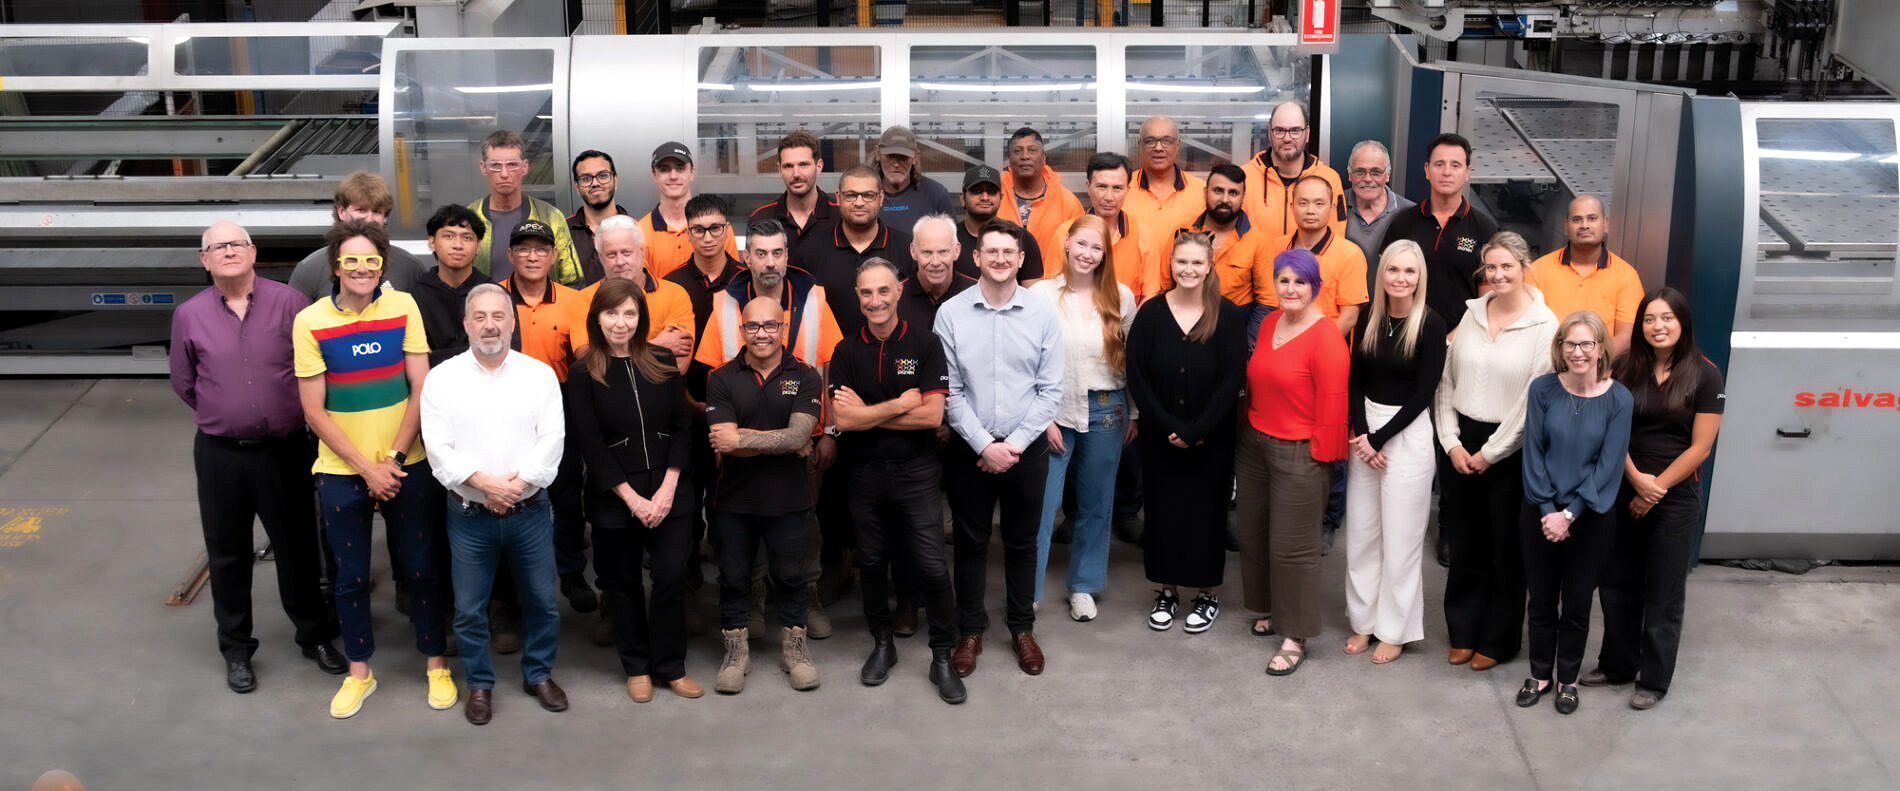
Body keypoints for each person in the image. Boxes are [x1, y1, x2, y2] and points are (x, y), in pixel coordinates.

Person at [170, 221, 343, 693]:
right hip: (220, 455)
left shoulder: (291, 304)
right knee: (227, 554)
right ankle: (237, 650)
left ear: (253, 252)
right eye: (217, 246)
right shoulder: (189, 315)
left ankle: (314, 636)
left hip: (284, 449)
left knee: (298, 549)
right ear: (204, 260)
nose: (228, 251)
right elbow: (185, 382)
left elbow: (315, 369)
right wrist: (228, 411)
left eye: (236, 244)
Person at [290, 219, 451, 719]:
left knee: (422, 570)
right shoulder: (310, 321)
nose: (362, 269)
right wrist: (366, 468)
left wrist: (394, 460)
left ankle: (436, 664)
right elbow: (314, 411)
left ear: (382, 265)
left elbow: (421, 388)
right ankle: (360, 672)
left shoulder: (404, 306)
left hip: (407, 466)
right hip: (342, 471)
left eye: (371, 260)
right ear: (335, 265)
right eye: (352, 260)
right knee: (351, 577)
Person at [418, 283, 569, 726]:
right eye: (480, 317)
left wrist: (515, 487)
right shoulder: (442, 379)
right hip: (469, 516)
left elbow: (552, 440)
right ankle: (480, 684)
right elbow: (438, 447)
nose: (490, 325)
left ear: (512, 322)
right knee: (469, 609)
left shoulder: (539, 375)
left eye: (498, 316)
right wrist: (486, 485)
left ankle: (538, 674)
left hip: (530, 513)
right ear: (466, 324)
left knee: (541, 601)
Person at [827, 257, 967, 704]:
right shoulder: (846, 351)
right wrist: (899, 405)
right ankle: (882, 644)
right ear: (857, 297)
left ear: (899, 291)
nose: (876, 301)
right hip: (864, 472)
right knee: (871, 563)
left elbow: (931, 416)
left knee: (931, 565)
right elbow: (842, 420)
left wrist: (867, 415)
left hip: (917, 471)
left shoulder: (926, 344)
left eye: (883, 290)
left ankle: (942, 656)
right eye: (867, 293)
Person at [563, 278, 703, 703]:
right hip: (614, 494)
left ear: (641, 318)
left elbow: (682, 426)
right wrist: (633, 499)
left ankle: (671, 667)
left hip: (670, 487)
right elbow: (590, 443)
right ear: (597, 318)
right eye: (611, 313)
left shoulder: (662, 360)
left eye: (629, 313)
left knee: (671, 578)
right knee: (621, 583)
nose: (620, 323)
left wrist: (668, 487)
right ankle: (637, 667)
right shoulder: (582, 373)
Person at [935, 218, 1064, 678]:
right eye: (991, 251)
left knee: (1022, 542)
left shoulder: (1042, 314)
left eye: (1009, 252)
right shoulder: (950, 313)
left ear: (1021, 258)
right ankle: (969, 630)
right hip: (970, 451)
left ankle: (1022, 628)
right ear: (975, 257)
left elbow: (1050, 390)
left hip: (1026, 450)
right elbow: (949, 391)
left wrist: (1014, 445)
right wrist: (984, 445)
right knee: (970, 542)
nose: (1000, 259)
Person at [1587, 287, 1724, 710]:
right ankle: (1617, 665)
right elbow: (1609, 429)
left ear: (1683, 323)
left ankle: (1654, 679)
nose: (1657, 326)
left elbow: (1701, 447)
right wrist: (1634, 478)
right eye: (1649, 319)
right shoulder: (1625, 367)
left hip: (1676, 496)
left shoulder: (1706, 375)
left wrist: (1654, 489)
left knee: (1663, 591)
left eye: (1667, 318)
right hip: (1623, 485)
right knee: (1616, 583)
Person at [1434, 231, 1559, 672]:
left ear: (1526, 267)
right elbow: (1446, 381)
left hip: (1511, 449)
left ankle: (1498, 639)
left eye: (1507, 266)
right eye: (1491, 266)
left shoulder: (1545, 326)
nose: (1499, 274)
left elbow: (1532, 402)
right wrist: (1451, 442)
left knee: (1505, 548)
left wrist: (1490, 452)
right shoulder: (1471, 315)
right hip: (1460, 442)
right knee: (1465, 542)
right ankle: (1463, 631)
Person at [1125, 231, 1247, 633]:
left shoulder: (1228, 315)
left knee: (1206, 514)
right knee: (1163, 513)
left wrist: (1197, 429)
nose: (1189, 269)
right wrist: (1169, 426)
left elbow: (1232, 379)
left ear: (1209, 266)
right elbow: (1136, 374)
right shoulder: (1151, 313)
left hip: (1212, 439)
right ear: (1171, 264)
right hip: (1160, 438)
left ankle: (1207, 593)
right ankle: (1168, 590)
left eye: (1197, 262)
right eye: (1182, 262)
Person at [1236, 248, 1349, 677]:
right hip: (1255, 443)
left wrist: (1320, 460)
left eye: (1300, 281)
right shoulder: (1269, 322)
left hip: (1301, 451)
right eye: (1283, 280)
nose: (1290, 288)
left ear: (1315, 286)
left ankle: (1296, 634)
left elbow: (1334, 404)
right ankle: (1272, 609)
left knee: (1294, 549)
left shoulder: (1326, 336)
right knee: (1255, 534)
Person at [705, 297, 827, 694]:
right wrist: (785, 441)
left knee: (791, 577)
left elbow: (799, 435)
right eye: (753, 326)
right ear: (742, 331)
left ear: (784, 329)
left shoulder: (805, 376)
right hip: (733, 500)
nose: (762, 334)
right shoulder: (721, 378)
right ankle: (735, 653)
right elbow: (725, 443)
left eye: (770, 325)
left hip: (789, 499)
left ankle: (795, 651)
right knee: (733, 577)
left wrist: (743, 438)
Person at [1515, 311, 1632, 715]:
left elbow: (1609, 466)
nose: (1578, 352)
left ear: (1601, 349)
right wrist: (1550, 510)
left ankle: (1568, 679)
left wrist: (1569, 515)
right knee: (1541, 600)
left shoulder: (1620, 399)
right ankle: (1539, 674)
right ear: (1560, 347)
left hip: (1590, 517)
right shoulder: (1543, 389)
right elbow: (1534, 454)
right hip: (1540, 513)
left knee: (1578, 602)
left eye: (1586, 344)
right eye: (1570, 343)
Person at [1342, 240, 1448, 664]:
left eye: (1409, 271)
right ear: (1381, 273)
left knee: (1401, 540)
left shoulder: (1431, 324)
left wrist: (1379, 438)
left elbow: (1424, 393)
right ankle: (1363, 620)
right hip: (1366, 432)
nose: (1400, 278)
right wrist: (1363, 433)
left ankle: (1394, 630)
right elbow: (1354, 379)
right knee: (1362, 534)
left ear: (1420, 278)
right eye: (1393, 270)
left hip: (1407, 433)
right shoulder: (1369, 315)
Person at [1028, 215, 1136, 622]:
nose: (1087, 254)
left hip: (1107, 409)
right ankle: (1028, 591)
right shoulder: (1041, 295)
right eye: (1082, 244)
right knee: (1042, 505)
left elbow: (1130, 361)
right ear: (1067, 242)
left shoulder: (1121, 297)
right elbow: (1028, 361)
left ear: (1105, 254)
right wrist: (1041, 420)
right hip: (1051, 410)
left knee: (1096, 504)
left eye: (1097, 248)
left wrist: (1134, 413)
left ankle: (1084, 586)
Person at [495, 220, 596, 617]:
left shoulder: (574, 300)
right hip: (504, 406)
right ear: (510, 255)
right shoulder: (493, 297)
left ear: (554, 255)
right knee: (511, 493)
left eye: (541, 249)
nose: (532, 256)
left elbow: (585, 357)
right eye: (524, 248)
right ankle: (513, 587)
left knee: (566, 492)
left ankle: (571, 572)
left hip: (560, 403)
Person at [1380, 132, 1498, 326]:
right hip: (1407, 334)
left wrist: (1454, 337)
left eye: (1455, 165)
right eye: (1439, 164)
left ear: (1467, 172)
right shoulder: (1403, 223)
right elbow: (1385, 284)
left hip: (1461, 337)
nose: (1447, 172)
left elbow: (1488, 302)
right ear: (1427, 170)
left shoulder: (1485, 230)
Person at [695, 218, 844, 372]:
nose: (770, 263)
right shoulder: (725, 304)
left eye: (777, 253)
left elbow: (832, 363)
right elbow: (713, 374)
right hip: (743, 388)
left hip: (802, 388)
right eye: (761, 254)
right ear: (747, 258)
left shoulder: (813, 300)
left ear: (786, 255)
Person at [796, 164, 917, 338]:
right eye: (851, 195)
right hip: (831, 353)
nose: (859, 202)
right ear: (838, 197)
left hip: (895, 351)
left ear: (881, 198)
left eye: (868, 195)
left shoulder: (908, 249)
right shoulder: (809, 252)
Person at [1526, 194, 1644, 358]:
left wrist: (1589, 363)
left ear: (1605, 224)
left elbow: (1626, 337)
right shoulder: (1537, 270)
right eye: (1577, 220)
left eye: (1592, 218)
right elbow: (1528, 329)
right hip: (1549, 366)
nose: (1584, 225)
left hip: (1602, 369)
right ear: (1566, 226)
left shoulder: (1626, 276)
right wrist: (1560, 363)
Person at [567, 214, 695, 364]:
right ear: (601, 258)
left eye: (626, 252)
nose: (620, 261)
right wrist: (657, 345)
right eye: (611, 255)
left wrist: (612, 354)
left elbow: (678, 365)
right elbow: (587, 360)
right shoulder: (584, 300)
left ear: (642, 252)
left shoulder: (675, 294)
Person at [1258, 175, 1369, 338]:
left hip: (1327, 344)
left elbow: (1349, 317)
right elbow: (1265, 304)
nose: (1310, 210)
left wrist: (1317, 348)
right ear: (1292, 207)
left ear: (1332, 208)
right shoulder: (1274, 248)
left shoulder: (1350, 254)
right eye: (1303, 203)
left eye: (1319, 204)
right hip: (1279, 342)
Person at [465, 129, 581, 285]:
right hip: (484, 301)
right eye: (495, 165)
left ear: (525, 167)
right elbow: (454, 279)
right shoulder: (467, 219)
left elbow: (572, 281)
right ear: (483, 167)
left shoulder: (550, 216)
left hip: (543, 301)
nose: (504, 174)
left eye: (512, 165)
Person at [288, 171, 424, 300]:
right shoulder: (311, 268)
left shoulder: (409, 267)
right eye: (361, 210)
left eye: (377, 211)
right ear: (341, 212)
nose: (369, 219)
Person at [1056, 152, 1161, 301]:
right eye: (1101, 187)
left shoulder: (1144, 235)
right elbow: (1052, 291)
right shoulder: (1065, 233)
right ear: (1088, 187)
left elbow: (1150, 296)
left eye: (1117, 188)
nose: (1109, 197)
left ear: (1127, 190)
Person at [411, 204, 501, 367]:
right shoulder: (415, 296)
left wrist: (436, 355)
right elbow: (413, 358)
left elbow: (505, 351)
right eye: (449, 236)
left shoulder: (494, 294)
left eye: (467, 238)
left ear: (478, 246)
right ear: (432, 242)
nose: (458, 245)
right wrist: (477, 352)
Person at [1177, 163, 1270, 319]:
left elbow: (1267, 302)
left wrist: (1246, 335)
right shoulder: (1182, 233)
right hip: (1187, 323)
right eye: (1218, 191)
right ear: (1205, 192)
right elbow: (1167, 288)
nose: (1225, 199)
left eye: (1233, 193)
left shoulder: (1260, 241)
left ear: (1243, 198)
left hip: (1238, 325)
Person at [1242, 101, 1345, 237]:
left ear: (1307, 133)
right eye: (1279, 130)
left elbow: (1335, 238)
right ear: (1270, 133)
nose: (1287, 138)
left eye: (1295, 131)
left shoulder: (1330, 179)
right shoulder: (1244, 178)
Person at [640, 141, 740, 278]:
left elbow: (734, 281)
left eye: (680, 168)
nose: (673, 176)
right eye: (664, 169)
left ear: (692, 173)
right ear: (654, 175)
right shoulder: (640, 232)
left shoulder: (718, 228)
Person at [999, 127, 1085, 267]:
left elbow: (1080, 250)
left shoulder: (1068, 203)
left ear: (1044, 158)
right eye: (1018, 151)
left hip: (1051, 279)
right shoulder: (994, 196)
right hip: (1000, 277)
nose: (1025, 156)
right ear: (1009, 159)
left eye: (1032, 150)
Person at [1123, 116, 1207, 245]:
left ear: (1178, 145)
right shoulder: (1122, 188)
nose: (1158, 148)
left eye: (1166, 141)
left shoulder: (1202, 192)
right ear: (1140, 145)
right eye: (1150, 141)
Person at [955, 164, 1043, 281]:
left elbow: (1032, 290)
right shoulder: (949, 239)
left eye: (991, 191)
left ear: (1001, 199)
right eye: (977, 191)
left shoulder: (1022, 238)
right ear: (962, 198)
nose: (985, 197)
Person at [749, 130, 839, 245]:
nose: (796, 174)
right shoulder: (761, 218)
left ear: (819, 166)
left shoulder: (840, 215)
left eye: (803, 165)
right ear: (779, 169)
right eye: (788, 166)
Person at [1342, 140, 1415, 276]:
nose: (1368, 179)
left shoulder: (1410, 213)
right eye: (1360, 172)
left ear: (1387, 175)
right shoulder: (1333, 206)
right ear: (1350, 174)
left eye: (1376, 172)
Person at [566, 149, 636, 286]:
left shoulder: (639, 229)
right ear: (577, 187)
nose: (595, 183)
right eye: (586, 178)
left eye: (603, 176)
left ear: (615, 180)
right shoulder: (562, 232)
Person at [874, 125, 956, 233]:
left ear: (915, 157)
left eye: (903, 157)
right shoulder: (865, 195)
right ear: (878, 154)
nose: (896, 164)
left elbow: (951, 239)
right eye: (890, 156)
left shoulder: (935, 194)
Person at [900, 213, 978, 326]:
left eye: (943, 252)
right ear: (913, 251)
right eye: (927, 252)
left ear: (956, 251)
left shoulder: (977, 293)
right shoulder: (895, 297)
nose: (935, 262)